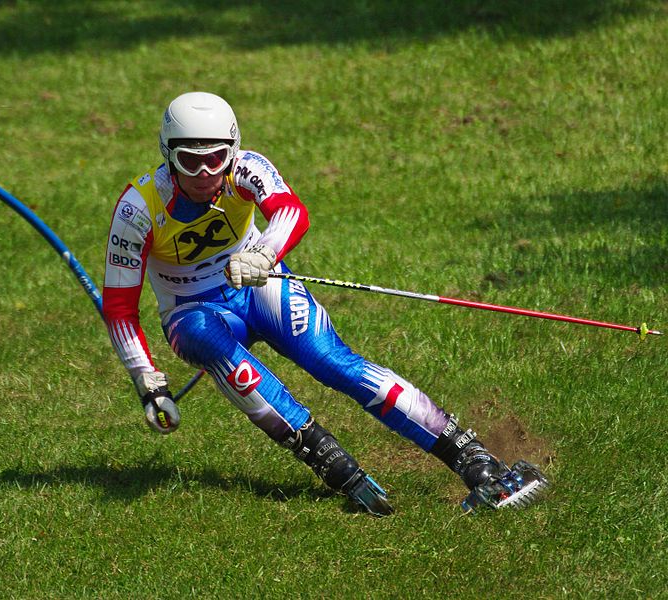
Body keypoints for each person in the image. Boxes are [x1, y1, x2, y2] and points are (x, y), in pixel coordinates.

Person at [102, 91, 548, 515]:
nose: (204, 175)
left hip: (256, 281)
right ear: (168, 155)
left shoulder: (247, 169)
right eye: (190, 162)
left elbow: (292, 211)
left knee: (330, 360)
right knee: (222, 355)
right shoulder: (138, 208)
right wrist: (149, 384)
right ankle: (331, 462)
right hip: (190, 309)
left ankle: (475, 460)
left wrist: (263, 254)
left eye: (215, 159)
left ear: (233, 152)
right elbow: (120, 307)